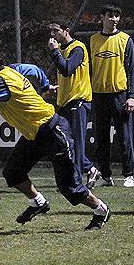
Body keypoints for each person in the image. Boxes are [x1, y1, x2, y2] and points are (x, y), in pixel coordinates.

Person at [0, 48, 111, 230]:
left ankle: (101, 210)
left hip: (53, 131)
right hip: (34, 135)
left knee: (70, 188)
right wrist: (45, 85)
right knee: (13, 172)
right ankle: (38, 202)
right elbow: (33, 69)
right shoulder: (12, 69)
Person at [47, 19, 100, 189]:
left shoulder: (77, 48)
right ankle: (90, 169)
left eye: (56, 30)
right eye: (51, 31)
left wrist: (55, 51)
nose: (52, 35)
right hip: (65, 102)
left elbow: (67, 69)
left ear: (66, 31)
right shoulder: (61, 50)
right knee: (65, 142)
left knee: (76, 142)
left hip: (78, 101)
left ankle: (75, 181)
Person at [89, 4, 134, 188]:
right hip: (98, 95)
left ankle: (128, 175)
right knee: (101, 138)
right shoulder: (93, 40)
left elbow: (131, 70)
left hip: (119, 95)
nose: (114, 19)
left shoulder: (125, 39)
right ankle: (105, 175)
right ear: (102, 17)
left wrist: (132, 96)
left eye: (117, 16)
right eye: (110, 15)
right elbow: (89, 69)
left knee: (124, 137)